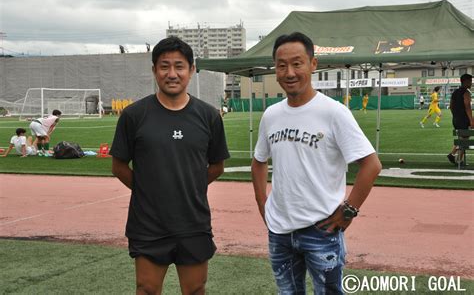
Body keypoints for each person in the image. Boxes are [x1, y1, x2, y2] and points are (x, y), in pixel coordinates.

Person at [251, 32, 382, 293]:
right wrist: (263, 205)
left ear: (313, 64)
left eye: (297, 63)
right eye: (281, 65)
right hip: (280, 231)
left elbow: (371, 164)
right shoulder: (271, 115)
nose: (289, 72)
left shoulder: (333, 112)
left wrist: (348, 211)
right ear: (275, 71)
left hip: (321, 230)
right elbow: (258, 161)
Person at [110, 36, 230, 295]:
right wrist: (148, 190)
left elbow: (216, 166)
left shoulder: (209, 116)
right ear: (154, 70)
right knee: (147, 289)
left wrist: (189, 185)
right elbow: (118, 166)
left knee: (196, 289)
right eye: (164, 66)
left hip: (193, 221)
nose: (172, 73)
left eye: (179, 66)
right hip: (148, 224)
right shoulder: (134, 115)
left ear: (191, 70)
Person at [447, 73, 473, 165]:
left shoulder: (455, 92)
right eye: (470, 81)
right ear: (465, 81)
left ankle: (453, 155)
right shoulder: (466, 93)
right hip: (464, 120)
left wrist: (455, 116)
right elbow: (468, 107)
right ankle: (458, 159)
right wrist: (471, 120)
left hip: (456, 119)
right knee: (465, 140)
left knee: (462, 138)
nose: (471, 83)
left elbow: (451, 106)